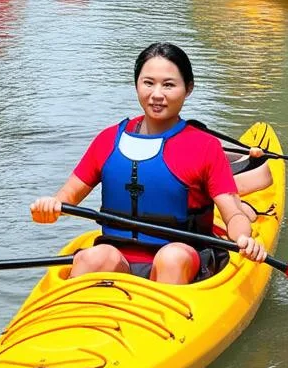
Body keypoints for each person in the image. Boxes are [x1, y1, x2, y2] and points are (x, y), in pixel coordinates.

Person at [29, 42, 268, 284]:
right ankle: (78, 313)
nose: (156, 94)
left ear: (188, 88)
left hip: (184, 258)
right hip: (117, 256)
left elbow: (234, 214)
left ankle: (168, 318)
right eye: (148, 83)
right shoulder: (108, 140)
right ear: (136, 85)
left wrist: (243, 238)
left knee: (171, 257)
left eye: (169, 85)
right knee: (93, 258)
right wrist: (48, 208)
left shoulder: (205, 146)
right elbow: (66, 198)